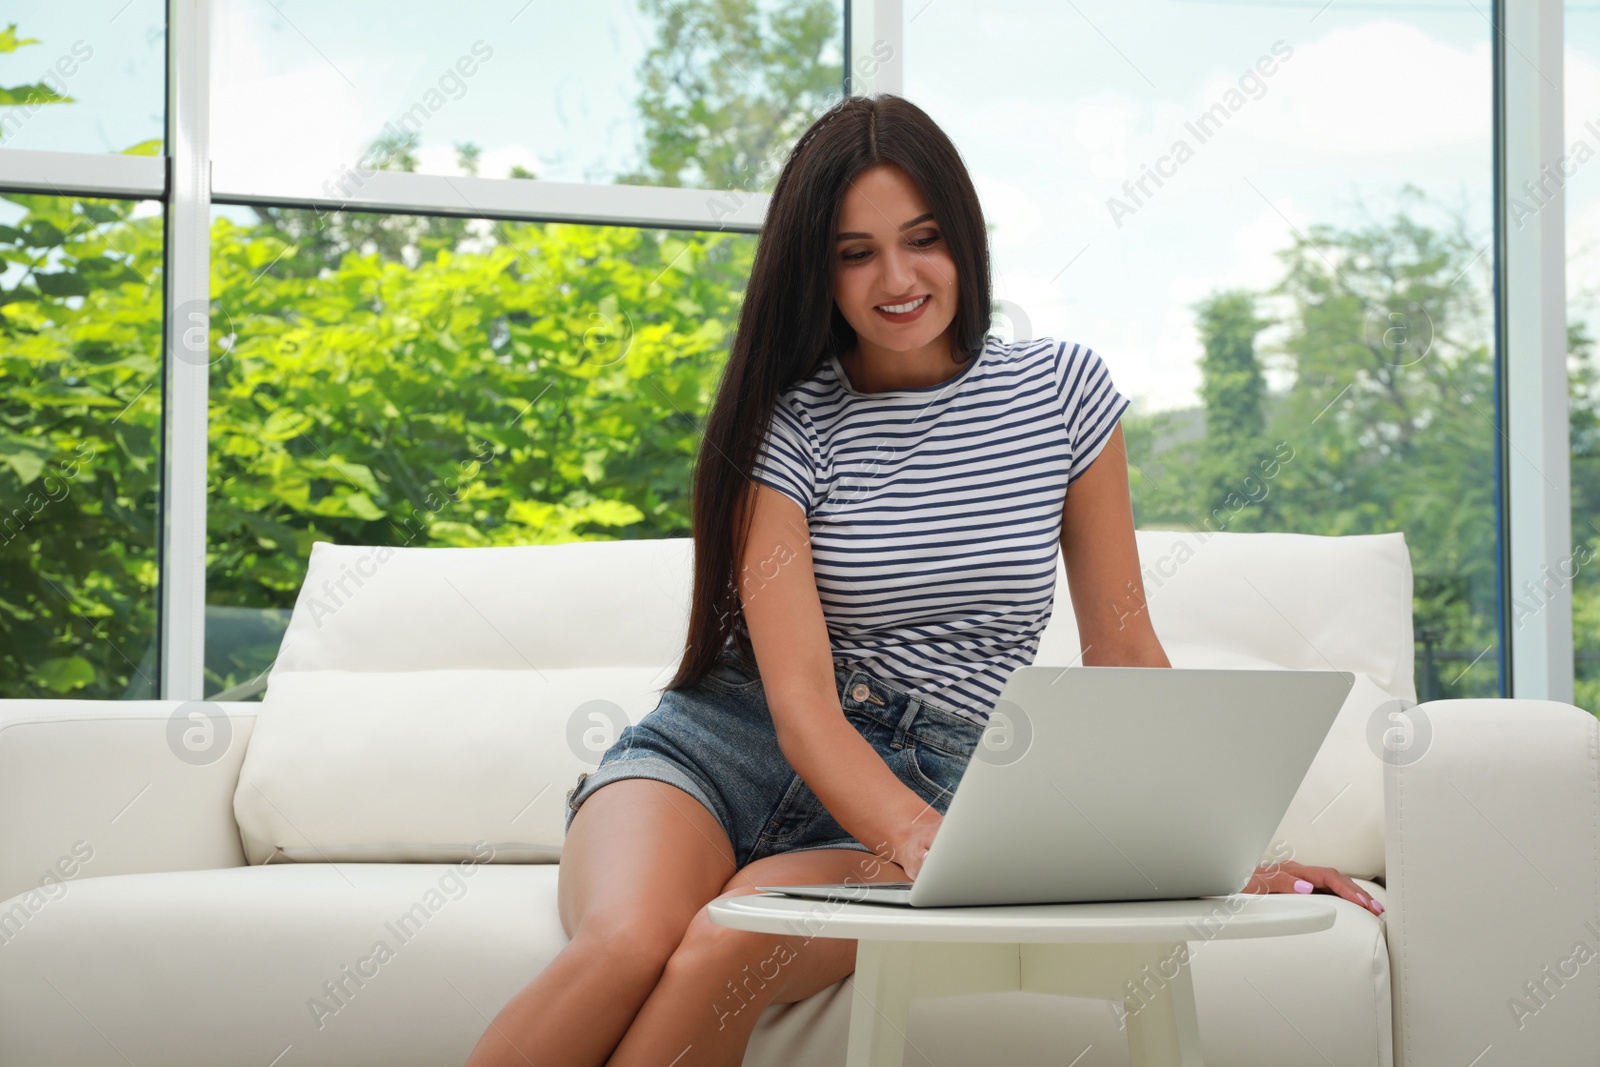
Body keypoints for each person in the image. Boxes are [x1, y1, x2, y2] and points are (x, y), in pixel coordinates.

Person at [464, 92, 1380, 1067]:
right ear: (815, 269)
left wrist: (1221, 844)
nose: (895, 278)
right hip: (714, 753)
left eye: (921, 238)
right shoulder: (788, 424)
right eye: (855, 252)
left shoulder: (1061, 394)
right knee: (626, 942)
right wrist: (917, 836)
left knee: (718, 946)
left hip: (929, 777)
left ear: (962, 237)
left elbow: (1120, 646)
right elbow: (802, 702)